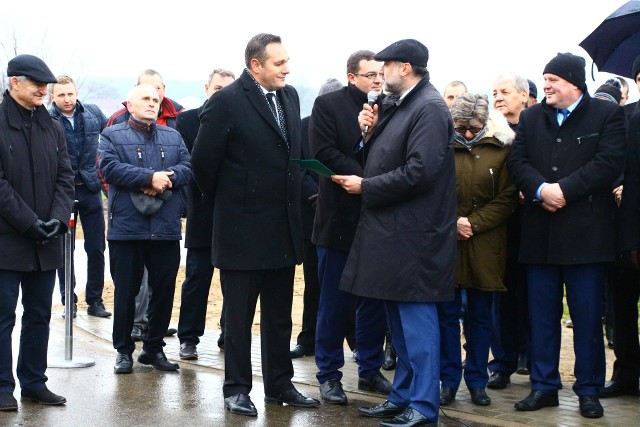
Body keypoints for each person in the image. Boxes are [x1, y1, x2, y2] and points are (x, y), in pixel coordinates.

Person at [191, 33, 320, 417]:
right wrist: (235, 203)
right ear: (256, 66)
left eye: (287, 61)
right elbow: (203, 165)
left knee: (280, 316)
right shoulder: (226, 103)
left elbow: (290, 154)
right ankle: (236, 389)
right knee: (238, 318)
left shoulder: (290, 96)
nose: (287, 68)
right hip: (241, 231)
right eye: (279, 63)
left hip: (282, 228)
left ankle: (279, 385)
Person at [338, 39, 457, 427]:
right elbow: (387, 158)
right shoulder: (401, 105)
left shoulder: (430, 108)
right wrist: (368, 135)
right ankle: (403, 396)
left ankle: (423, 406)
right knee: (400, 327)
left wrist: (366, 187)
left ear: (404, 68)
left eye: (385, 66)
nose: (380, 73)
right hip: (392, 236)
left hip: (415, 239)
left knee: (418, 326)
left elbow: (420, 171)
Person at [508, 52, 626, 419]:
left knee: (587, 317)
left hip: (587, 236)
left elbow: (608, 164)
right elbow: (518, 162)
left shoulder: (607, 115)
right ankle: (544, 387)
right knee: (542, 316)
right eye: (544, 80)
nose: (546, 86)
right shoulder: (531, 117)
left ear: (574, 83)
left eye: (553, 80)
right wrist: (542, 189)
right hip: (540, 233)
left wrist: (564, 190)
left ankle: (588, 389)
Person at [308, 50, 391, 405]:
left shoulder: (392, 107)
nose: (377, 80)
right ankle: (328, 375)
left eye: (380, 75)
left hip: (377, 218)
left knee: (373, 302)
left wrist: (375, 181)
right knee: (334, 303)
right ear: (351, 76)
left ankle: (370, 370)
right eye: (370, 74)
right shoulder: (329, 106)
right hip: (338, 219)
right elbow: (324, 153)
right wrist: (363, 153)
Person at [98, 83, 192, 374]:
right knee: (126, 292)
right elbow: (109, 168)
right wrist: (149, 177)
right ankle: (123, 351)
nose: (152, 103)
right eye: (146, 99)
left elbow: (189, 167)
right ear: (130, 104)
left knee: (163, 291)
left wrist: (168, 179)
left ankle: (153, 349)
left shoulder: (173, 136)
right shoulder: (111, 134)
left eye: (156, 99)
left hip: (165, 227)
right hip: (127, 228)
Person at [0, 54, 74, 411]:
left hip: (46, 239)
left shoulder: (52, 127)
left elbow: (65, 177)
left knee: (40, 314)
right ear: (15, 82)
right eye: (36, 84)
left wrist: (58, 220)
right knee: (3, 315)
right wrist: (30, 222)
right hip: (7, 239)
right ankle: (1, 387)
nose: (44, 90)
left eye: (46, 85)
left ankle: (33, 382)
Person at [437, 94, 517, 407]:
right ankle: (448, 381)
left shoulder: (501, 149)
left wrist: (473, 223)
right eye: (461, 128)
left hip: (486, 244)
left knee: (481, 318)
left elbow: (508, 198)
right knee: (447, 317)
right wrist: (453, 222)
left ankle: (477, 381)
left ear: (485, 124)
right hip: (448, 244)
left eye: (474, 128)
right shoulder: (441, 148)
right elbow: (431, 190)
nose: (468, 134)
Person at [175, 68, 236, 360]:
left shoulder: (241, 119)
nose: (222, 93)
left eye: (228, 89)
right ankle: (188, 337)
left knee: (234, 281)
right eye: (217, 88)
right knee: (197, 278)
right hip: (202, 212)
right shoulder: (186, 120)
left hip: (235, 213)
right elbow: (187, 164)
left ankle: (230, 333)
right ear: (206, 88)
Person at [48, 75, 111, 319]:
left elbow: (112, 134)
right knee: (65, 249)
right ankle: (68, 301)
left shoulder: (92, 114)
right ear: (53, 97)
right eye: (61, 95)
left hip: (90, 188)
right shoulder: (48, 120)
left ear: (76, 93)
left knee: (96, 247)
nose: (67, 99)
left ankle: (95, 300)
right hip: (63, 191)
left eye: (70, 94)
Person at [289, 77, 343, 360]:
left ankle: (356, 341)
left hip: (347, 216)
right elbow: (295, 168)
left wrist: (333, 196)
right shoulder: (302, 126)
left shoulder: (351, 127)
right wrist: (318, 195)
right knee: (314, 283)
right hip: (311, 218)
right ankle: (308, 339)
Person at [487, 73, 532, 390]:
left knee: (533, 298)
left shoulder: (537, 129)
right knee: (500, 299)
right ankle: (501, 363)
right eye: (494, 92)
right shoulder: (490, 132)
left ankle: (531, 357)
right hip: (499, 228)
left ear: (524, 95)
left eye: (504, 92)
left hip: (534, 225)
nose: (498, 97)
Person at [600, 55, 640, 399]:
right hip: (626, 229)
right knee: (623, 310)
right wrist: (619, 183)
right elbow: (609, 160)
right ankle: (625, 376)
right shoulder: (624, 117)